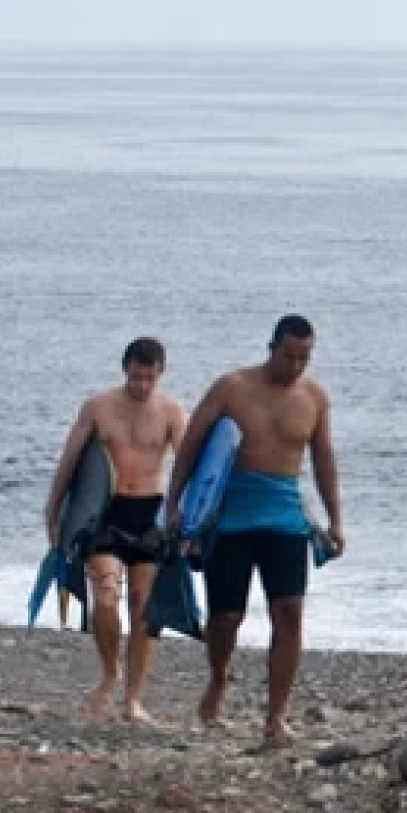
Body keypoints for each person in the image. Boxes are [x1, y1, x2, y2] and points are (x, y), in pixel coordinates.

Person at [167, 315, 344, 747]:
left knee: (289, 613)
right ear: (271, 347)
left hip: (284, 517)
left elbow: (323, 460)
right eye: (288, 356)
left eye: (304, 357)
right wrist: (175, 504)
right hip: (231, 518)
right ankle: (218, 678)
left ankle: (276, 719)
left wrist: (335, 518)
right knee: (226, 618)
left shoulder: (314, 398)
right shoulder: (231, 388)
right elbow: (191, 447)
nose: (295, 365)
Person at [44, 338, 187, 722]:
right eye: (136, 377)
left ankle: (133, 699)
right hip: (106, 514)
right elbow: (70, 461)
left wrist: (188, 518)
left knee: (143, 605)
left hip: (149, 513)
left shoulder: (171, 411)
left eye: (149, 378)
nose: (141, 386)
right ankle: (110, 673)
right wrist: (54, 513)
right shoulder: (98, 407)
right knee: (106, 597)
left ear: (160, 373)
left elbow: (188, 467)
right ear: (125, 369)